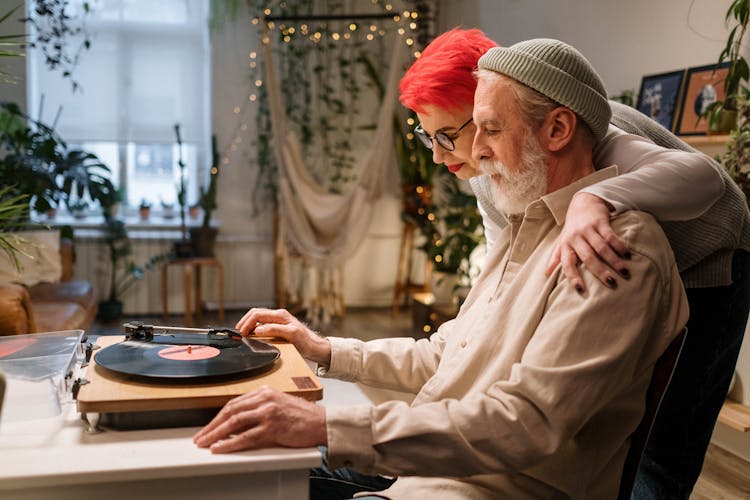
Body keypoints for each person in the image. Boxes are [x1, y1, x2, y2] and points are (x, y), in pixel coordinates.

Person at [195, 38, 689, 499]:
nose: (474, 151)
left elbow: (527, 422)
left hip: (481, 487)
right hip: (432, 473)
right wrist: (324, 348)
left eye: (490, 129)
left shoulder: (615, 246)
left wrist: (326, 424)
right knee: (224, 469)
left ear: (558, 129)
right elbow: (446, 355)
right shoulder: (523, 221)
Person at [400, 28, 750, 499]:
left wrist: (595, 194)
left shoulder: (595, 135)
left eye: (448, 134)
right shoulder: (489, 171)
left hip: (712, 256)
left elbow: (703, 179)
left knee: (664, 442)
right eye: (428, 136)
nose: (440, 154)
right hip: (627, 253)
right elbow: (506, 263)